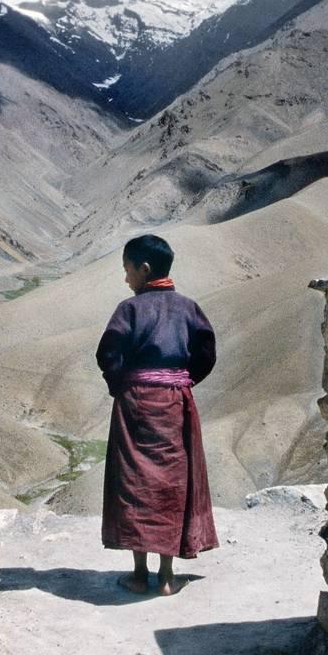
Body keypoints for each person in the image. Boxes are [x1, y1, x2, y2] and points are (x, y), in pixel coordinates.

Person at [94, 234, 218, 595]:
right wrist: (180, 380)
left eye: (128, 270)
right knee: (170, 485)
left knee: (136, 484)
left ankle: (138, 575)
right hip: (175, 404)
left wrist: (123, 384)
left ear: (144, 270)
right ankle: (166, 578)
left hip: (135, 405)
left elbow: (107, 353)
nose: (126, 278)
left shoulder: (128, 310)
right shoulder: (189, 308)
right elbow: (206, 353)